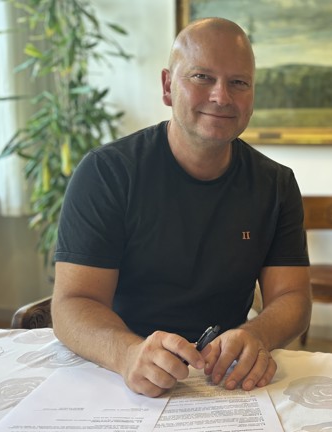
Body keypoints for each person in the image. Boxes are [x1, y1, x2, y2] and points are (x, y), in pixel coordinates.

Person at [51, 17, 311, 398]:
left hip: (223, 378)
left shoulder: (276, 185)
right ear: (167, 86)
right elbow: (72, 303)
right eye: (202, 77)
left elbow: (293, 299)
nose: (221, 96)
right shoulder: (107, 173)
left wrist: (256, 334)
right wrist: (127, 353)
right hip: (117, 373)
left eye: (239, 82)